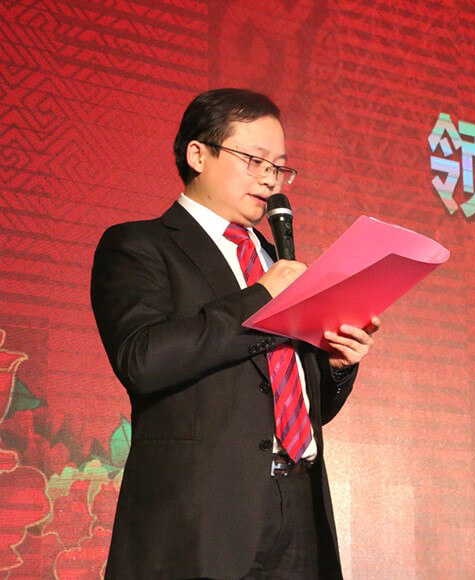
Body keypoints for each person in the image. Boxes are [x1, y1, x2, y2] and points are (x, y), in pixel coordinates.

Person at [90, 88, 378, 579]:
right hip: (201, 519)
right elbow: (143, 359)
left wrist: (334, 368)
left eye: (280, 167)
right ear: (198, 154)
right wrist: (261, 298)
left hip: (300, 509)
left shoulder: (276, 262)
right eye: (254, 160)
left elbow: (293, 408)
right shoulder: (139, 245)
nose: (270, 178)